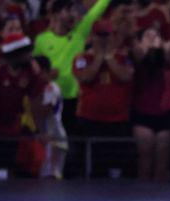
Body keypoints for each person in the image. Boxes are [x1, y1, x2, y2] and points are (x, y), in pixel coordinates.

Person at [0, 32, 48, 176]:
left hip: (10, 127)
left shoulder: (32, 68)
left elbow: (36, 102)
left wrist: (41, 131)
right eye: (27, 53)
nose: (31, 56)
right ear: (15, 54)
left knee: (5, 168)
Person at [33, 0, 113, 135]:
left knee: (74, 145)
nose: (73, 14)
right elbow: (34, 68)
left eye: (74, 11)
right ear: (56, 14)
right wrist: (45, 74)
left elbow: (97, 11)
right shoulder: (41, 39)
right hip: (51, 100)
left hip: (76, 100)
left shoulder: (79, 33)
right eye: (68, 10)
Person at [131, 26, 170, 180]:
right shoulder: (138, 54)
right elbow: (138, 53)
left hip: (166, 113)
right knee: (145, 160)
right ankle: (143, 200)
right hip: (143, 113)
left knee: (162, 162)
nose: (152, 37)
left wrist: (159, 45)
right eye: (147, 35)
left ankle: (160, 200)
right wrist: (147, 47)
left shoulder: (168, 56)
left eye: (155, 35)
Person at [35, 54, 68, 178]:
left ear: (43, 70)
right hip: (45, 136)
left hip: (54, 137)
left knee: (51, 177)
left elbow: (44, 111)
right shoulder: (39, 88)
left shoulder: (51, 88)